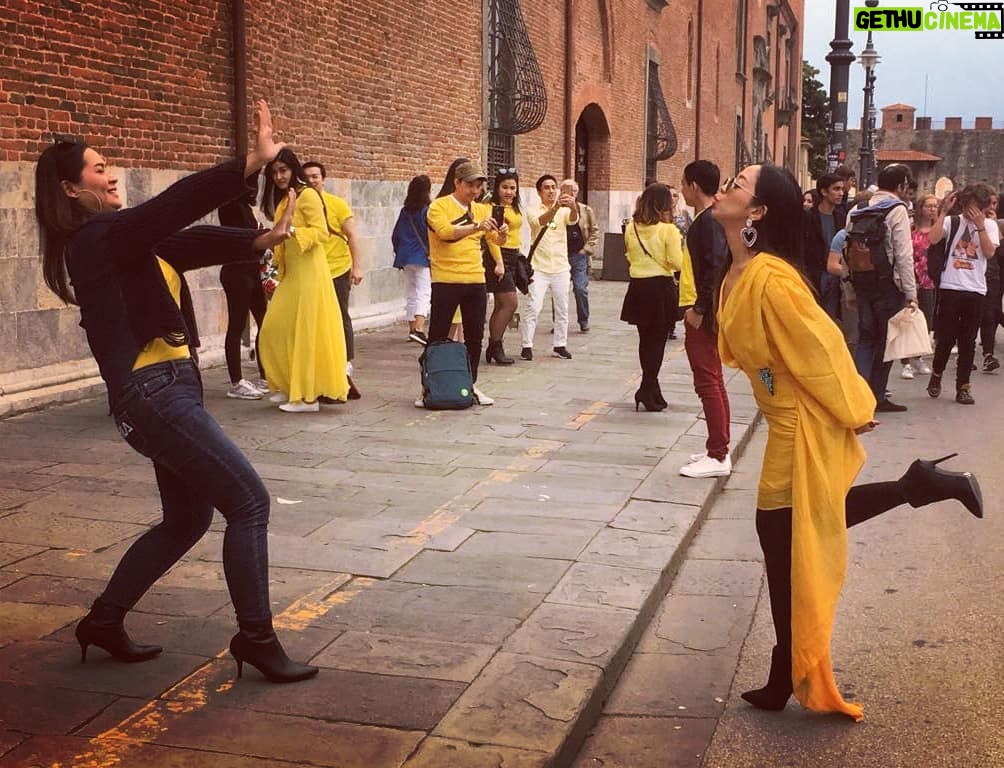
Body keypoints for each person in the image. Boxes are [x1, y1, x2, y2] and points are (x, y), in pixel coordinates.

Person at [34, 100, 318, 683]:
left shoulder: (125, 241)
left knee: (186, 520)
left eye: (107, 164)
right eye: (97, 169)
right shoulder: (95, 239)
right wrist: (247, 163)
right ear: (70, 189)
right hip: (154, 392)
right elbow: (172, 209)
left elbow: (190, 239)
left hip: (169, 390)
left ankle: (104, 622)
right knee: (249, 503)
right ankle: (256, 639)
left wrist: (264, 239)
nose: (111, 175)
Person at [713, 163, 982, 721]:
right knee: (797, 532)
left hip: (799, 422)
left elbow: (822, 347)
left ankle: (784, 669)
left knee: (786, 536)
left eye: (737, 185)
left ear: (757, 211)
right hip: (781, 412)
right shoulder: (738, 272)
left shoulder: (773, 278)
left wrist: (855, 409)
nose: (724, 188)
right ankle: (919, 482)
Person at [259, 148, 348, 412]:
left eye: (283, 170)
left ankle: (306, 397)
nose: (278, 176)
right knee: (275, 328)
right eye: (274, 172)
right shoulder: (286, 198)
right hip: (292, 270)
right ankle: (287, 385)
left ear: (293, 169)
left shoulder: (307, 195)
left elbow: (321, 233)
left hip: (310, 268)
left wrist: (292, 230)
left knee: (306, 331)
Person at [424, 158, 507, 406]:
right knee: (437, 335)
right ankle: (430, 386)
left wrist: (501, 234)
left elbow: (495, 239)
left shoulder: (482, 209)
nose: (474, 191)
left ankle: (469, 385)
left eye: (478, 186)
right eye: (470, 185)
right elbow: (446, 233)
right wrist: (475, 226)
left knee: (474, 336)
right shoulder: (438, 207)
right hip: (446, 279)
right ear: (457, 182)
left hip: (475, 279)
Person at [846, 164, 918, 412]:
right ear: (901, 185)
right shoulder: (897, 210)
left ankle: (856, 394)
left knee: (866, 338)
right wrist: (911, 293)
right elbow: (904, 254)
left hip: (862, 282)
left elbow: (848, 250)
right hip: (888, 286)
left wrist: (850, 288)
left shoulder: (857, 209)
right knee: (886, 341)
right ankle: (876, 395)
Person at [678, 161, 732, 478]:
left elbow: (714, 267)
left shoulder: (708, 220)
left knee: (707, 380)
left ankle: (718, 454)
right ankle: (718, 445)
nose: (682, 190)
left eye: (684, 184)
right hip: (704, 310)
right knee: (712, 378)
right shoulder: (707, 218)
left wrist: (699, 309)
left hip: (704, 314)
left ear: (694, 186)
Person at [926, 184, 1001, 404]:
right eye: (971, 206)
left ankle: (963, 386)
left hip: (976, 288)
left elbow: (988, 252)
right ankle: (937, 374)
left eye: (978, 207)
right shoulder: (953, 221)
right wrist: (943, 212)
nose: (973, 211)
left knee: (968, 340)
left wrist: (980, 227)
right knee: (946, 338)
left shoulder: (989, 225)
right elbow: (933, 238)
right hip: (951, 285)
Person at [620, 183, 683, 411]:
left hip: (638, 287)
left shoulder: (631, 228)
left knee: (645, 341)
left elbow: (628, 254)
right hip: (660, 287)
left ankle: (651, 389)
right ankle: (646, 389)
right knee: (657, 343)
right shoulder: (669, 230)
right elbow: (677, 262)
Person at [303, 161, 363, 399]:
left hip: (337, 268)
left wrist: (357, 266)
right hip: (312, 272)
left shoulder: (336, 204)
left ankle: (346, 361)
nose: (311, 181)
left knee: (340, 314)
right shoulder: (301, 205)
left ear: (323, 178)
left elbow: (352, 235)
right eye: (307, 177)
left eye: (315, 176)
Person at [217, 180, 269, 399]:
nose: (254, 190)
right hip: (237, 271)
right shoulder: (230, 206)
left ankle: (266, 375)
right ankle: (236, 382)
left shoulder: (245, 207)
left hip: (251, 270)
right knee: (237, 325)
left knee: (265, 324)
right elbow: (248, 238)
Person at [520, 175, 578, 360]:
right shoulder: (532, 210)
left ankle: (560, 344)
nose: (551, 191)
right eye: (547, 188)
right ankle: (526, 344)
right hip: (539, 266)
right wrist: (555, 208)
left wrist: (573, 205)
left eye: (554, 187)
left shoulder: (563, 210)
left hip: (560, 266)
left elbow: (573, 220)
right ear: (539, 192)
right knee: (534, 306)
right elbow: (540, 222)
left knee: (562, 308)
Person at [483, 168, 522, 364]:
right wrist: (499, 263)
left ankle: (494, 346)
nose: (508, 192)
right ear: (497, 188)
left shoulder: (515, 207)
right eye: (504, 187)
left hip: (514, 256)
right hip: (499, 256)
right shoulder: (492, 208)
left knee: (501, 305)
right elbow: (491, 239)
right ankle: (495, 345)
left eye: (512, 188)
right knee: (510, 303)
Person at [901, 193, 939, 379]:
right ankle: (905, 362)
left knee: (927, 321)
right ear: (920, 208)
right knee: (908, 319)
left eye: (935, 206)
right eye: (928, 206)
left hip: (930, 280)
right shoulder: (912, 229)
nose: (932, 209)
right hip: (913, 278)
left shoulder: (939, 230)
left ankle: (918, 357)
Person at [392, 174, 432, 345]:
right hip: (422, 256)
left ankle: (411, 329)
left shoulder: (405, 211)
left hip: (405, 256)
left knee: (411, 293)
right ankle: (420, 329)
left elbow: (395, 235)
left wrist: (399, 251)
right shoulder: (427, 211)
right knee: (424, 292)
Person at [804, 173, 846, 320]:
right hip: (814, 276)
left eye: (842, 189)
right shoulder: (808, 217)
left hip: (835, 278)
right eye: (836, 189)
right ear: (824, 191)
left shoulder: (842, 217)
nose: (841, 193)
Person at [562, 178, 599, 333]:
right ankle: (559, 322)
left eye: (574, 191)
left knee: (580, 288)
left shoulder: (585, 210)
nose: (572, 194)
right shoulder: (556, 210)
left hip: (579, 255)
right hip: (560, 255)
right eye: (568, 190)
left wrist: (586, 249)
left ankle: (583, 319)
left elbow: (594, 231)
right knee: (560, 290)